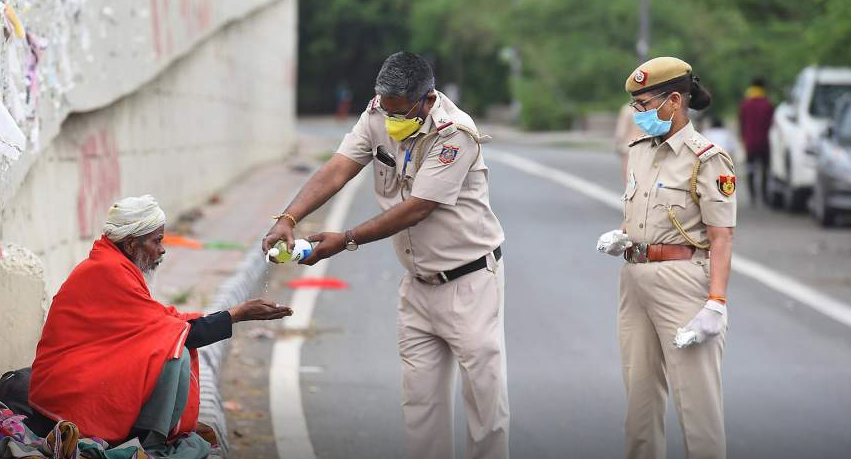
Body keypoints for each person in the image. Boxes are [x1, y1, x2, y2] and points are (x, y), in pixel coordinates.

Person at [262, 51, 509, 459]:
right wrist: (289, 217)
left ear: (427, 99)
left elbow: (419, 207)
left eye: (400, 112)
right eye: (386, 108)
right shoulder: (377, 112)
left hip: (470, 282)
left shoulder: (454, 134)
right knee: (420, 405)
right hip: (418, 283)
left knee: (485, 405)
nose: (391, 121)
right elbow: (339, 167)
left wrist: (346, 239)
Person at [28, 195, 291, 457]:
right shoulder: (107, 271)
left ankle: (147, 435)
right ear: (132, 244)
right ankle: (152, 442)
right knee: (175, 355)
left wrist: (232, 314)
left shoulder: (115, 264)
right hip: (65, 392)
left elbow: (162, 319)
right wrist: (236, 314)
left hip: (80, 375)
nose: (162, 249)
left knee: (171, 342)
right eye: (157, 241)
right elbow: (173, 332)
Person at [596, 57, 736, 459]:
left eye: (643, 104)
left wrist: (716, 304)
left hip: (684, 282)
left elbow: (721, 236)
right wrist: (621, 236)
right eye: (633, 106)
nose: (636, 114)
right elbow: (644, 215)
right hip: (635, 279)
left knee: (698, 410)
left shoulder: (707, 159)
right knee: (639, 408)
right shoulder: (640, 150)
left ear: (674, 100)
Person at [738, 77, 774, 205]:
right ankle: (763, 195)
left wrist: (742, 138)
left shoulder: (745, 104)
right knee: (765, 170)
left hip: (750, 143)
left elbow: (741, 124)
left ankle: (752, 196)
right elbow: (771, 124)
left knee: (751, 169)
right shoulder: (768, 104)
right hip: (764, 143)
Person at [615, 102, 644, 183]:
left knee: (629, 179)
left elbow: (621, 132)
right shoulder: (648, 108)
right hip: (645, 144)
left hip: (629, 146)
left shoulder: (627, 109)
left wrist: (618, 146)